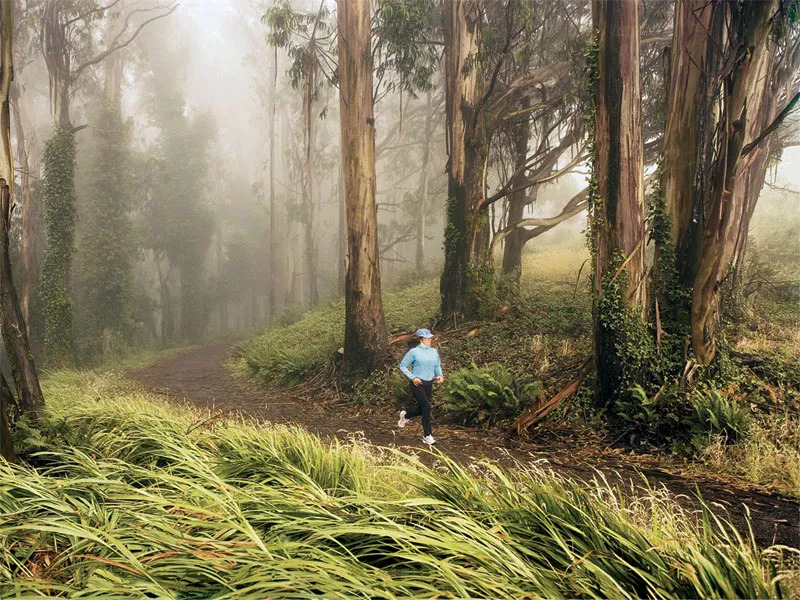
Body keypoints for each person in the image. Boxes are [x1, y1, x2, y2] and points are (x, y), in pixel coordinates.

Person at [397, 328, 443, 445]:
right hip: (417, 383)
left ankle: (406, 415)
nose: (429, 340)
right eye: (426, 338)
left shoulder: (433, 351)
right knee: (427, 407)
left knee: (423, 408)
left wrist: (439, 375)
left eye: (430, 338)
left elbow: (437, 365)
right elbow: (402, 366)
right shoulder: (414, 352)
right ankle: (427, 435)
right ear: (421, 339)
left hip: (429, 383)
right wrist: (413, 377)